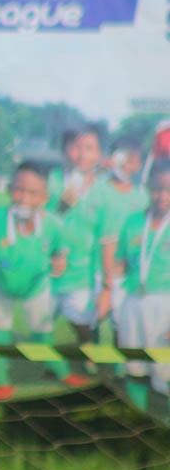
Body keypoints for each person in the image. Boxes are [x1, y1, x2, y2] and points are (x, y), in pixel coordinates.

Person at [0, 161, 68, 401]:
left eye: (32, 193)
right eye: (19, 190)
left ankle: (61, 372)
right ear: (10, 189)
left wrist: (60, 262)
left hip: (36, 287)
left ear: (44, 198)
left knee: (42, 334)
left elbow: (60, 252)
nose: (24, 198)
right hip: (0, 285)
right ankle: (1, 383)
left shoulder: (53, 224)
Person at [46, 124, 108, 384]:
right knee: (42, 321)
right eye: (75, 147)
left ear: (98, 153)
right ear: (64, 151)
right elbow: (38, 222)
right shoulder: (51, 181)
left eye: (88, 148)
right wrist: (60, 207)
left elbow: (107, 235)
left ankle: (91, 358)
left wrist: (105, 277)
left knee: (83, 321)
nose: (81, 154)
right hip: (50, 267)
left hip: (85, 271)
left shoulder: (104, 189)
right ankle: (53, 365)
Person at [112, 159, 170, 413]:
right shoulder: (134, 222)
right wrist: (112, 296)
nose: (163, 196)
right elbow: (122, 263)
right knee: (135, 368)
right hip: (134, 302)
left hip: (165, 304)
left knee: (165, 371)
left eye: (169, 190)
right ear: (148, 188)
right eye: (157, 188)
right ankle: (138, 418)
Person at [95, 137, 147, 339]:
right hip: (96, 267)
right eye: (122, 159)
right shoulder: (98, 188)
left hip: (125, 271)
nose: (126, 165)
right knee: (93, 319)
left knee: (122, 323)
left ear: (138, 165)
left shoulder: (142, 197)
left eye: (132, 161)